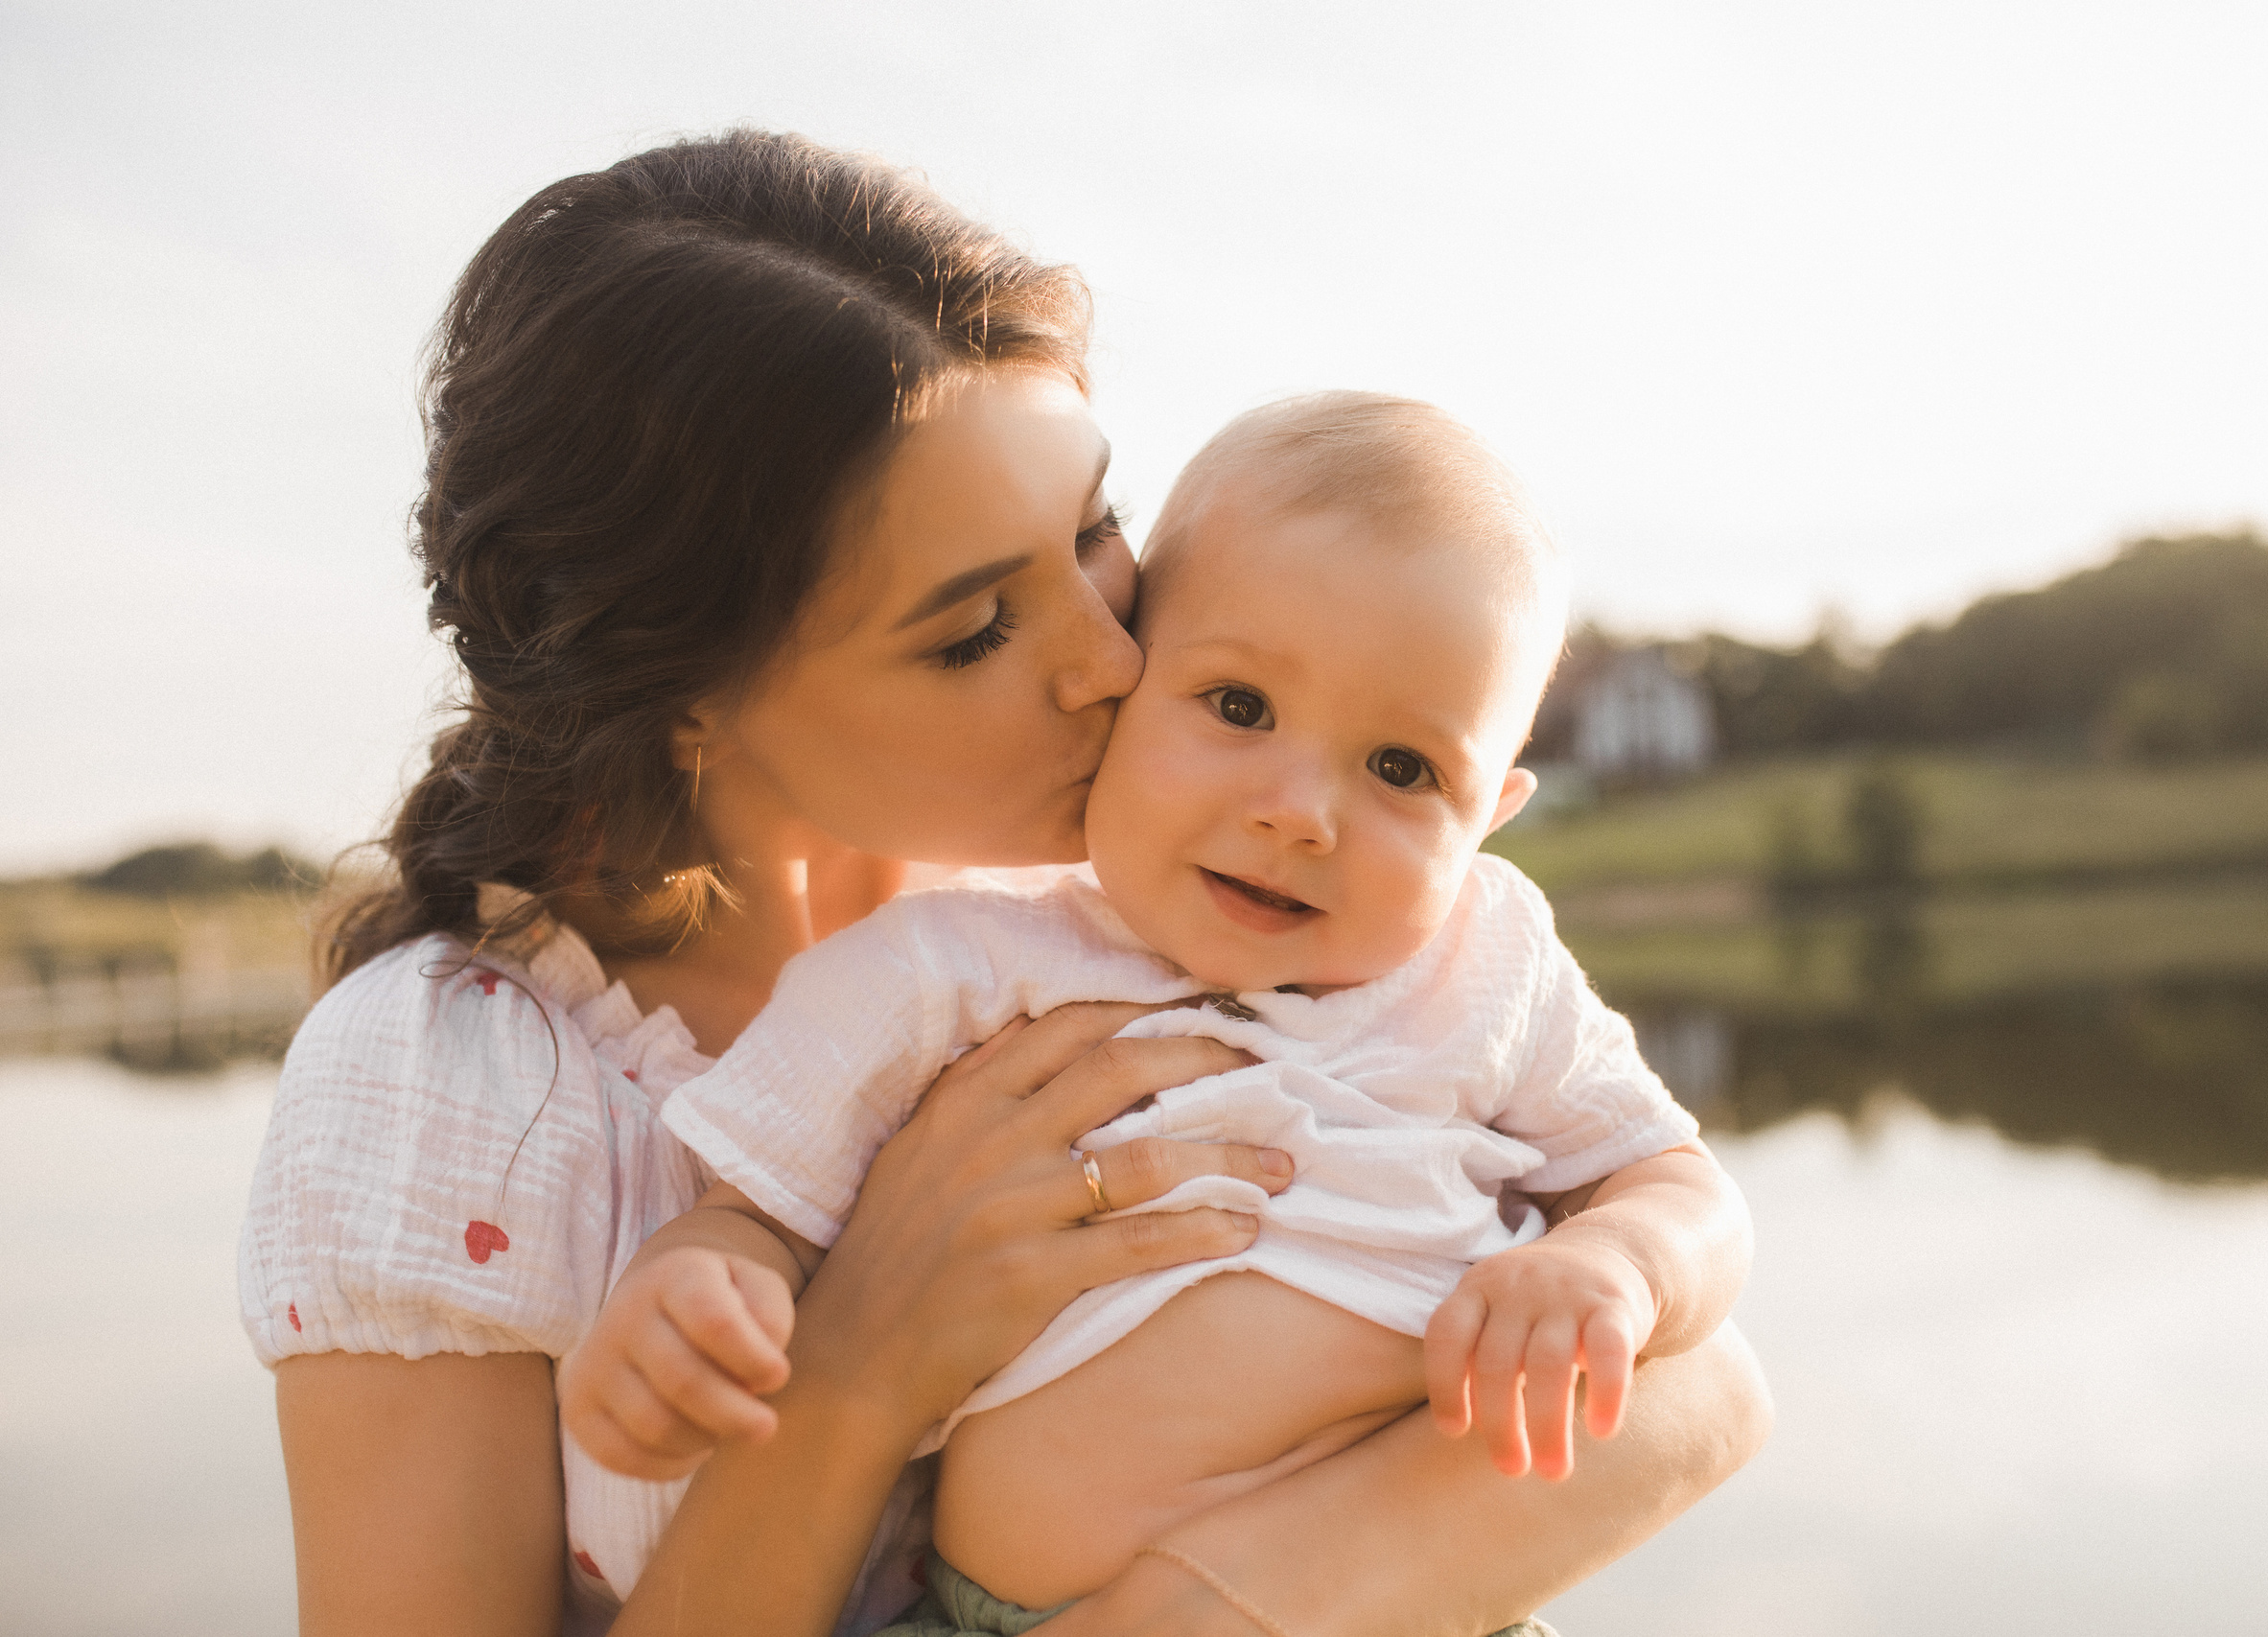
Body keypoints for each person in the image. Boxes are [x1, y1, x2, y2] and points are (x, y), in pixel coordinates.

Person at [238, 129, 1771, 1637]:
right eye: (975, 630)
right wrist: (853, 1378)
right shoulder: (454, 1088)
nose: (1115, 657)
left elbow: (1702, 1386)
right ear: (688, 697)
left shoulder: (1165, 904)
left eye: (1096, 529)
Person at [561, 392, 1752, 1636]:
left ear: (1491, 817)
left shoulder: (1484, 962)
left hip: (1423, 1597)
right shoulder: (953, 964)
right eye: (1238, 707)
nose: (1300, 811)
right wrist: (699, 1288)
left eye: (1403, 770)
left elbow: (1683, 1187)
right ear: (1121, 689)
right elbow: (760, 1209)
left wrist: (1618, 1262)